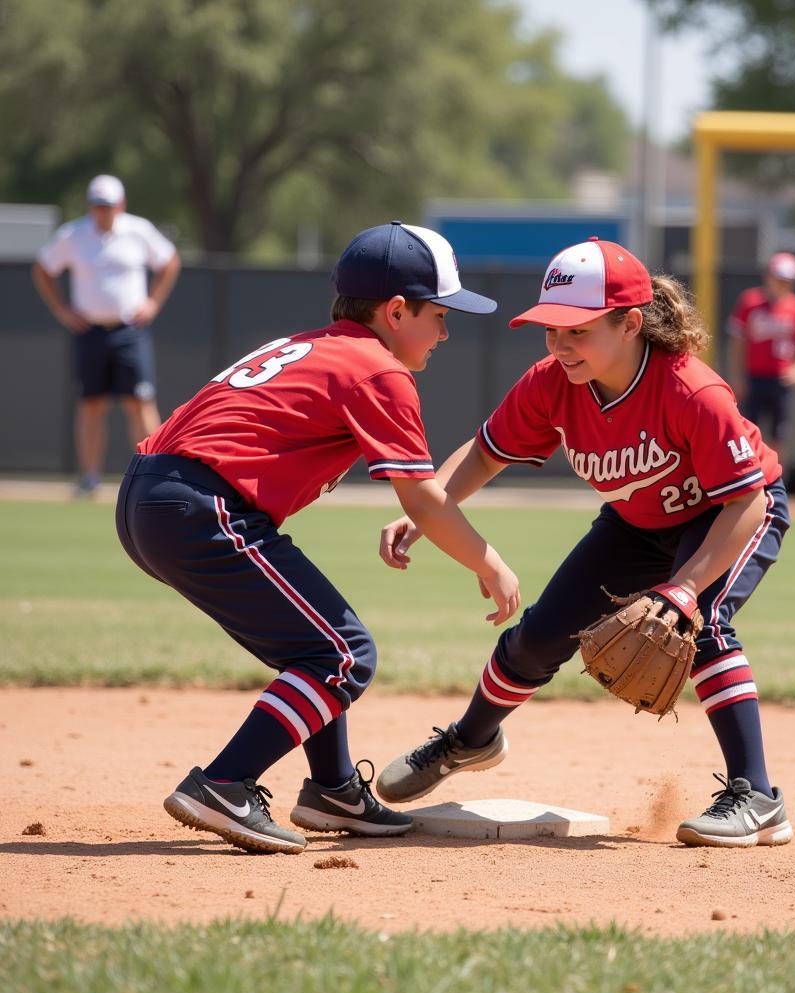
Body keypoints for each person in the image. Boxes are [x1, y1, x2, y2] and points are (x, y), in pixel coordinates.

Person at [115, 221, 521, 854]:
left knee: (316, 646)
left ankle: (331, 789)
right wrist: (490, 562)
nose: (444, 331)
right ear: (395, 311)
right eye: (439, 314)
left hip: (153, 495)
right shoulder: (377, 369)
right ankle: (225, 782)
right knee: (344, 656)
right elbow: (421, 495)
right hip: (198, 505)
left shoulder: (313, 346)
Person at [375, 237, 794, 849]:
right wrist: (429, 505)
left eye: (577, 330)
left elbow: (747, 499)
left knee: (697, 622)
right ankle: (471, 739)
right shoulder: (553, 384)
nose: (560, 345)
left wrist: (683, 588)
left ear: (630, 323)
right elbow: (488, 453)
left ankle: (757, 797)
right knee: (541, 636)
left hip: (730, 512)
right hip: (635, 522)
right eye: (551, 330)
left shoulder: (691, 391)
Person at [32, 174, 181, 497]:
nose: (104, 212)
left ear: (121, 205)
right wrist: (62, 310)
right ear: (91, 206)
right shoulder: (73, 235)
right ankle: (89, 477)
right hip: (90, 331)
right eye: (98, 206)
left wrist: (153, 302)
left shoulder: (138, 231)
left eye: (109, 206)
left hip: (130, 330)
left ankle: (155, 473)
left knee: (140, 401)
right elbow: (43, 269)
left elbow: (169, 261)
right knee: (91, 404)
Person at [726, 252, 795, 458]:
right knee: (746, 429)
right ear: (768, 276)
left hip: (781, 380)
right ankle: (751, 472)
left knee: (779, 432)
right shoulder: (750, 302)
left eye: (787, 280)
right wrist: (737, 376)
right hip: (753, 377)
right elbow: (737, 342)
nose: (782, 284)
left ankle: (775, 476)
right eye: (779, 278)